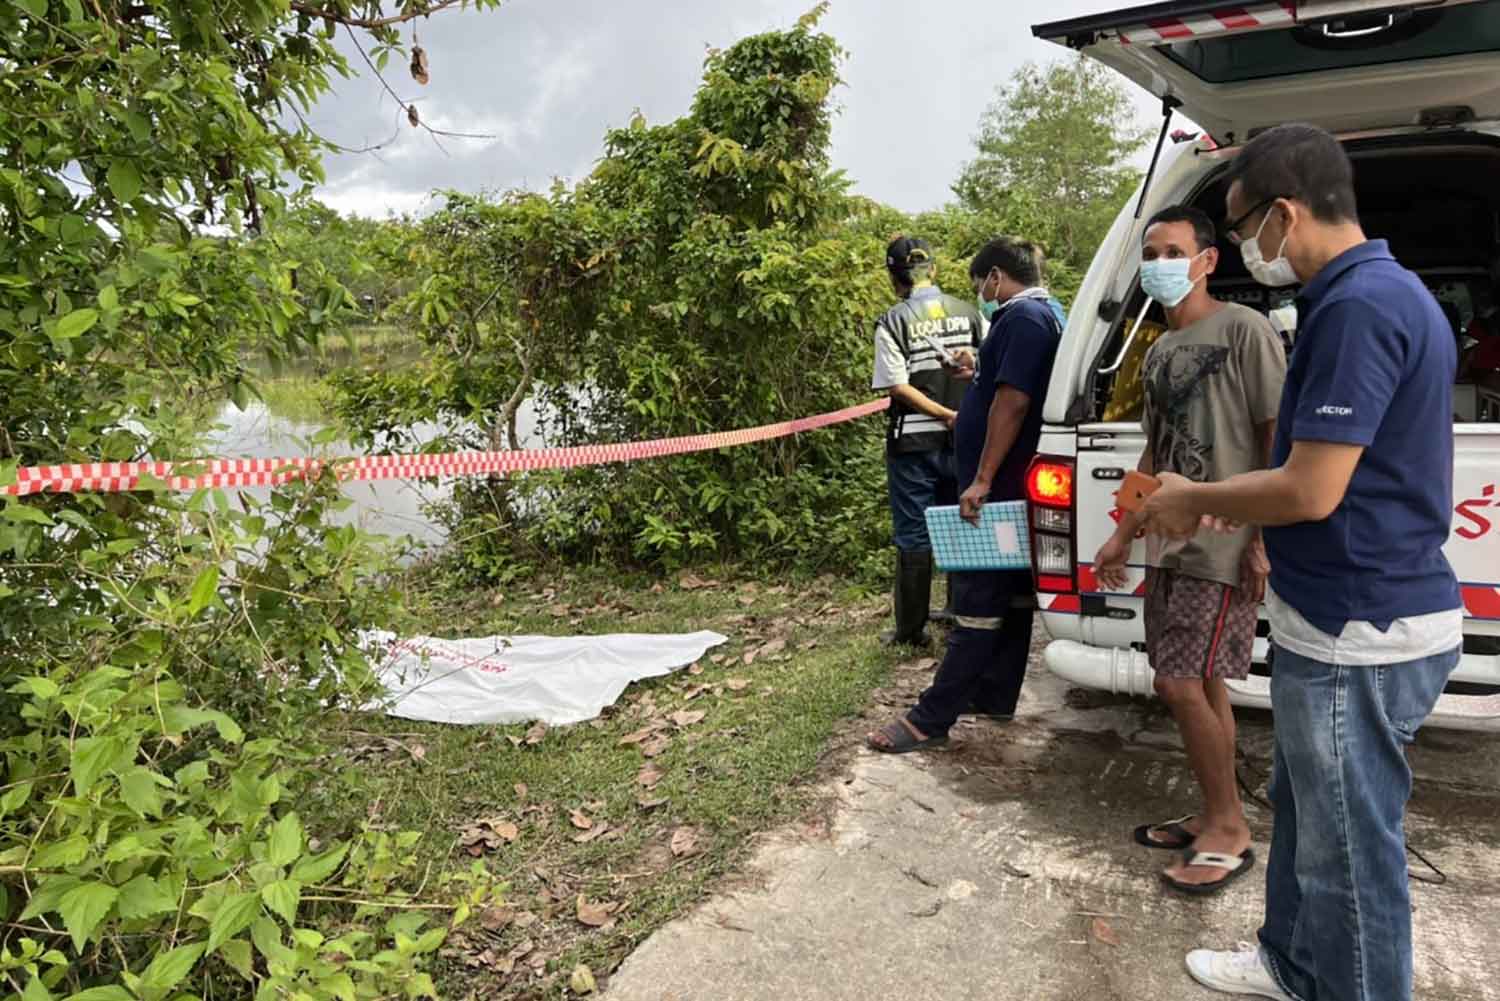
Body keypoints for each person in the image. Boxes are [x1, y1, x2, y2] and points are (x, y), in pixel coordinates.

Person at [1140, 124, 1462, 1001]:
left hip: (1361, 623)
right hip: (1337, 612)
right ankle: (1290, 961)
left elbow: (1311, 487)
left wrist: (1188, 499)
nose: (1245, 248)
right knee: (1311, 816)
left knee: (1350, 856)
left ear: (1284, 213)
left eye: (1241, 228)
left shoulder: (1361, 307)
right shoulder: (1372, 295)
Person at [1094, 205, 1286, 896]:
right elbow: (1155, 451)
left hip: (1223, 541)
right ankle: (1212, 810)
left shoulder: (1245, 329)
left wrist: (1262, 537)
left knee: (1176, 683)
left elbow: (1275, 438)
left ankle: (1230, 829)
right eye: (1152, 251)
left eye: (1174, 251)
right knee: (1202, 683)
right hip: (1171, 545)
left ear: (1207, 260)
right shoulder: (1160, 350)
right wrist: (1122, 531)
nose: (1160, 263)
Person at [867, 237, 1062, 751]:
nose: (980, 294)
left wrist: (982, 476)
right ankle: (994, 694)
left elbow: (1013, 402)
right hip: (1011, 478)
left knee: (977, 598)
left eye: (981, 285)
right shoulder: (1038, 318)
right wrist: (975, 371)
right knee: (1012, 596)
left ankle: (930, 719)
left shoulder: (1021, 319)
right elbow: (1009, 382)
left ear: (995, 278)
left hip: (996, 480)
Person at [871, 236, 985, 647]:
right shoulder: (969, 312)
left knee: (914, 536)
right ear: (932, 270)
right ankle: (959, 612)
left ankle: (910, 629)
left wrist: (942, 414)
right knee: (960, 524)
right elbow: (988, 367)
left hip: (914, 447)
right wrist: (961, 418)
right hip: (965, 442)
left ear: (893, 276)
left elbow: (898, 386)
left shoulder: (893, 320)